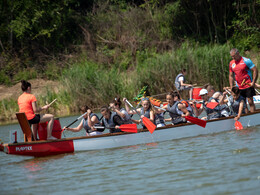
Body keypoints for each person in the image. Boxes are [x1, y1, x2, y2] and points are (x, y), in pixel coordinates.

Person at [229, 48, 258, 112]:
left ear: (238, 53)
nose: (233, 58)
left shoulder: (246, 60)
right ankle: (246, 117)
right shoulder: (231, 63)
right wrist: (231, 87)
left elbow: (255, 70)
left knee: (250, 102)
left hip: (248, 84)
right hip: (239, 86)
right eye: (232, 56)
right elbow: (231, 75)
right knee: (243, 103)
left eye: (234, 56)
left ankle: (253, 115)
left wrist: (253, 82)